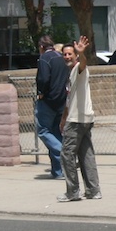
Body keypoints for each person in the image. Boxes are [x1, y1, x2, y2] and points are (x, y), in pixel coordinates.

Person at [57, 36, 101, 202]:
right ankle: (93, 190)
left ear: (75, 55)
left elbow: (83, 64)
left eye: (70, 54)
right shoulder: (71, 74)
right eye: (65, 54)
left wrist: (82, 54)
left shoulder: (78, 69)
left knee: (67, 154)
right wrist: (63, 119)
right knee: (86, 155)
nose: (67, 57)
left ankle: (72, 192)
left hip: (77, 121)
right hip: (82, 119)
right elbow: (70, 100)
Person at [35, 34, 69, 179]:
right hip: (61, 101)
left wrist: (41, 92)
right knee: (55, 132)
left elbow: (43, 79)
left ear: (42, 47)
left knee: (43, 130)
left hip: (48, 101)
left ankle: (64, 152)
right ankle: (58, 171)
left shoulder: (45, 58)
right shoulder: (61, 57)